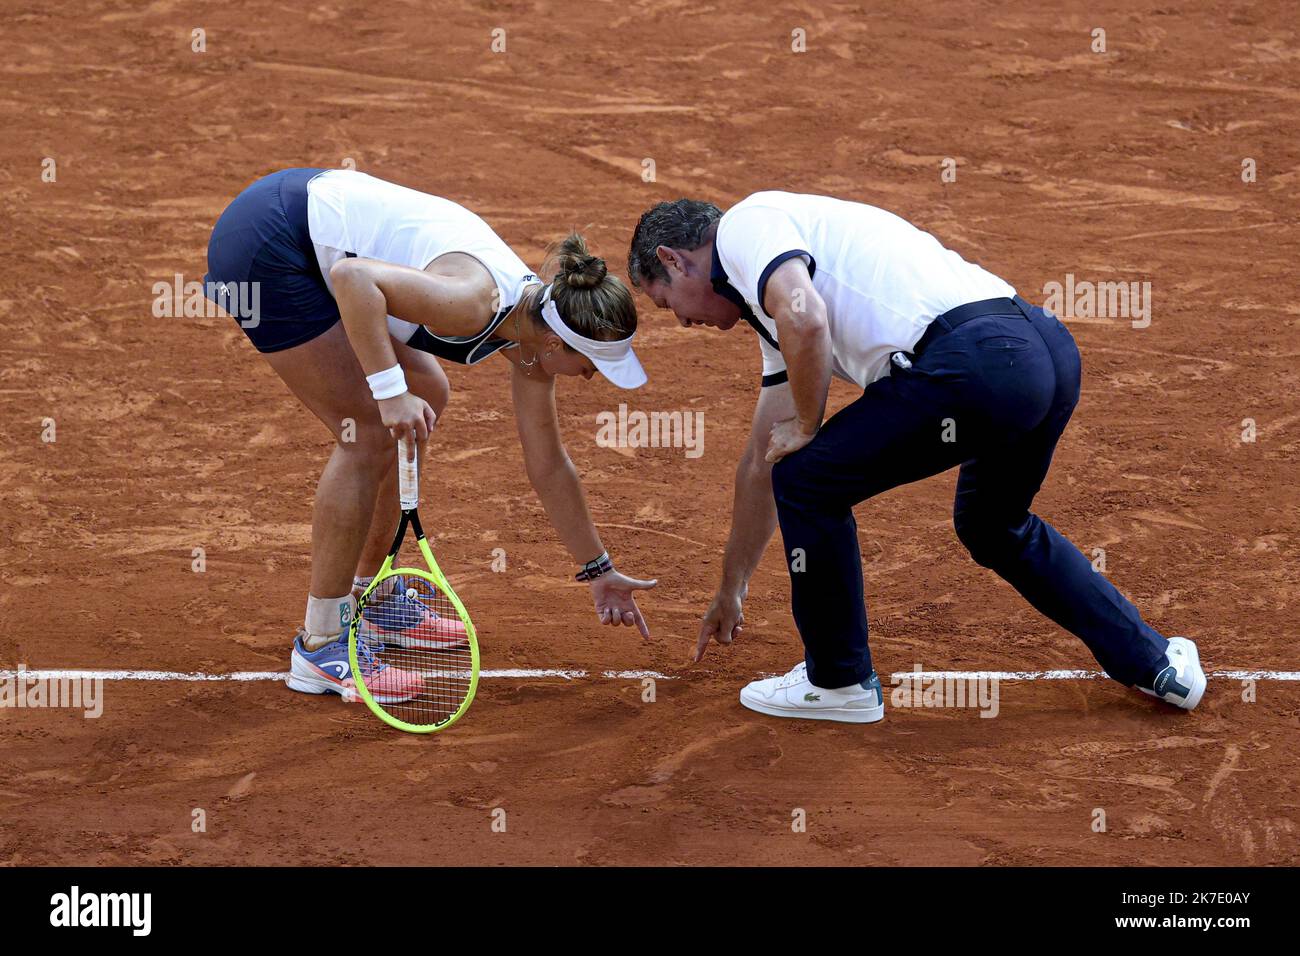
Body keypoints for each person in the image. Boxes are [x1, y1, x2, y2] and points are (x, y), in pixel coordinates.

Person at [626, 191, 1205, 723]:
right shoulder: (770, 303)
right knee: (992, 525)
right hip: (1041, 354)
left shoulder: (745, 229)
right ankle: (1156, 664)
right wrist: (732, 587)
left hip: (976, 363)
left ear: (675, 260)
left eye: (665, 302)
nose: (681, 320)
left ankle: (838, 682)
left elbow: (807, 322)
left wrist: (808, 424)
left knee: (810, 479)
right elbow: (763, 458)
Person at [204, 167, 657, 703]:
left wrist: (598, 570)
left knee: (428, 398)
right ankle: (321, 644)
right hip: (269, 242)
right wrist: (388, 388)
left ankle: (370, 598)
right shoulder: (473, 302)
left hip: (319, 241)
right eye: (592, 364)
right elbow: (355, 282)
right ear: (558, 344)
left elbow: (549, 464)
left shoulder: (533, 339)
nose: (592, 377)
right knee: (371, 430)